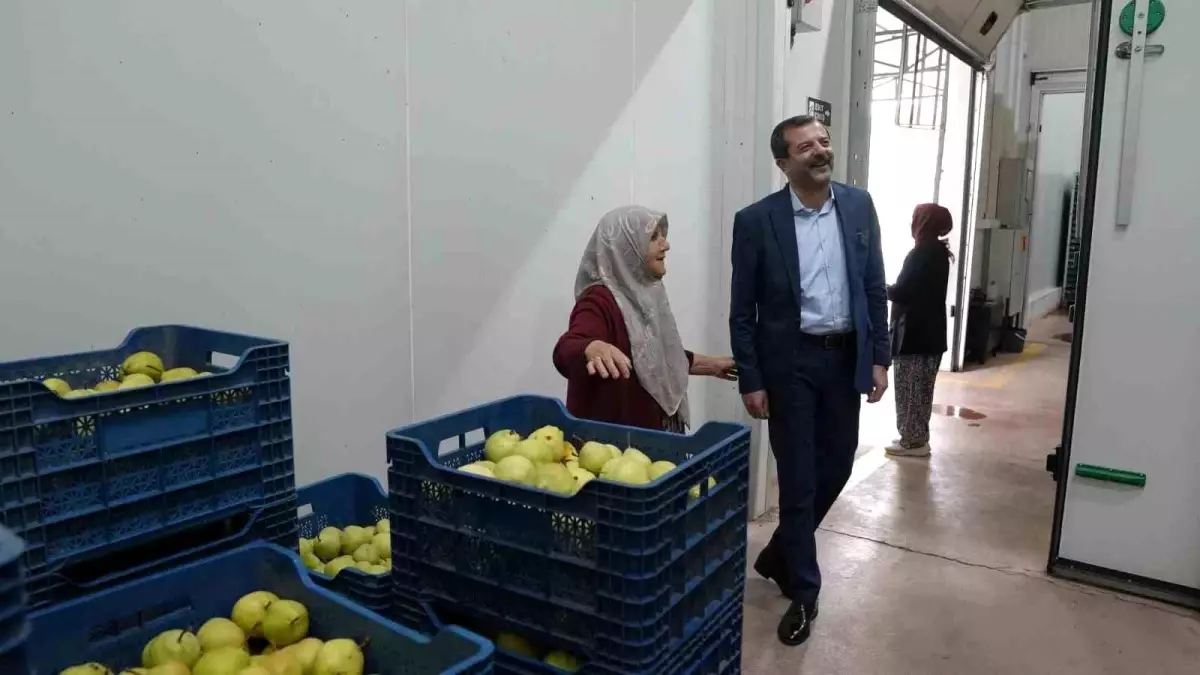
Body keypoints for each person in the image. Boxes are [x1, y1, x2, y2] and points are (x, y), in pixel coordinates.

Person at [729, 116, 889, 646]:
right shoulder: (757, 221)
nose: (820, 151)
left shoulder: (859, 205)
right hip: (790, 364)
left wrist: (879, 358)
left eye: (823, 141)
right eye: (805, 147)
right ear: (783, 163)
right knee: (797, 479)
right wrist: (750, 376)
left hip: (844, 359)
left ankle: (778, 554)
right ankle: (805, 592)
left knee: (838, 464)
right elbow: (742, 310)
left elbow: (873, 288)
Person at [553, 205, 737, 431]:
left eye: (663, 236)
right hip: (612, 451)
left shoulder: (642, 293)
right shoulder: (598, 300)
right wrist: (591, 347)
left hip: (647, 444)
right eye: (653, 237)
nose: (666, 245)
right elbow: (567, 348)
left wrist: (713, 365)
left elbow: (652, 355)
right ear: (625, 247)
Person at [886, 203, 953, 458]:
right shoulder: (939, 252)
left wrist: (877, 287)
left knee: (910, 389)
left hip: (914, 334)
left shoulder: (920, 254)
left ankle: (912, 441)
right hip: (931, 335)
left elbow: (905, 292)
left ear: (922, 223)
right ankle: (917, 436)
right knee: (922, 390)